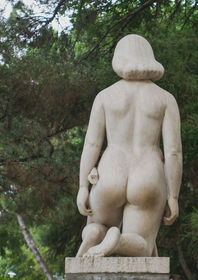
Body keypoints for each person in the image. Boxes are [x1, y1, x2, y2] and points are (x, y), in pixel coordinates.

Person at [75, 34, 182, 257]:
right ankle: (119, 241)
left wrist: (83, 187)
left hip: (110, 172)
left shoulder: (105, 96)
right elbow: (173, 152)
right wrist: (173, 195)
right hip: (147, 173)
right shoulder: (165, 99)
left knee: (95, 226)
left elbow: (92, 144)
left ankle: (96, 234)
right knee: (142, 245)